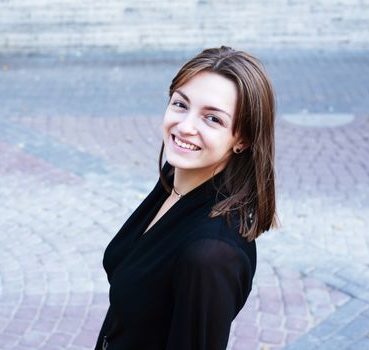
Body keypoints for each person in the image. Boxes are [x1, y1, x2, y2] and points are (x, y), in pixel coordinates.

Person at [94, 46, 277, 350]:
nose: (185, 126)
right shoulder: (175, 179)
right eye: (181, 104)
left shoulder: (211, 254)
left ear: (242, 138)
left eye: (212, 119)